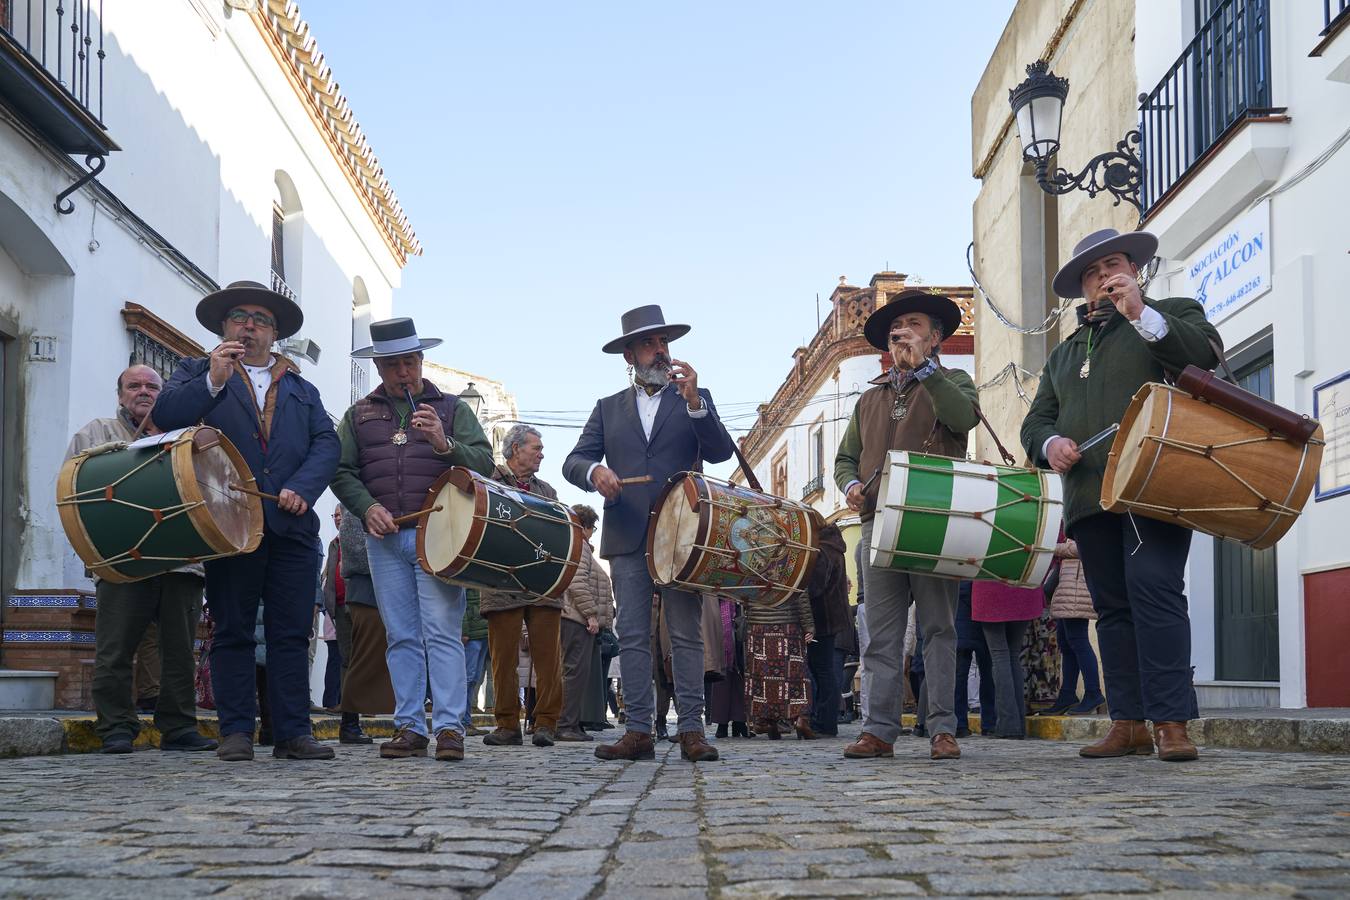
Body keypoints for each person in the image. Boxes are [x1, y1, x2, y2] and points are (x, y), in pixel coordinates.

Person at [1021, 228, 1220, 762]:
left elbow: (1203, 356)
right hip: (1089, 497)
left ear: (1133, 270)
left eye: (1111, 266)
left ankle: (1172, 722)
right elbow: (1035, 422)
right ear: (1082, 288)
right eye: (1091, 273)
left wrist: (1141, 315)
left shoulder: (1171, 313)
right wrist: (1051, 442)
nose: (1102, 278)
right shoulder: (1063, 355)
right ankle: (1128, 721)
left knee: (1155, 592)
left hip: (1155, 486)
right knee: (1111, 610)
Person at [154, 281, 339, 762]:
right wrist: (213, 381)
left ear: (274, 333)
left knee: (291, 632)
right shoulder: (197, 372)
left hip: (292, 525)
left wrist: (303, 487)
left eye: (260, 319)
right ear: (223, 327)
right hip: (230, 522)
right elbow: (165, 415)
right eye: (240, 317)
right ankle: (235, 730)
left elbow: (326, 444)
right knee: (233, 629)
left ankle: (293, 732)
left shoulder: (302, 388)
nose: (250, 325)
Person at [563, 305, 736, 762]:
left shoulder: (694, 397)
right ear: (629, 354)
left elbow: (719, 453)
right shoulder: (607, 409)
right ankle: (639, 730)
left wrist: (697, 403)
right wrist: (595, 472)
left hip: (683, 534)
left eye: (664, 343)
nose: (660, 350)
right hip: (626, 530)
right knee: (635, 634)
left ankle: (693, 731)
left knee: (686, 634)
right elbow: (573, 460)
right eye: (648, 343)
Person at [329, 317, 494, 763]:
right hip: (385, 540)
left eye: (409, 362)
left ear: (421, 361)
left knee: (442, 632)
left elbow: (484, 463)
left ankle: (448, 729)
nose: (403, 372)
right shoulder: (359, 414)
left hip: (439, 535)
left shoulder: (453, 410)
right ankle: (409, 726)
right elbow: (341, 471)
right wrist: (367, 508)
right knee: (400, 636)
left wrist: (444, 444)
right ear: (380, 369)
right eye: (392, 365)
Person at [835, 290, 978, 761]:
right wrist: (851, 483)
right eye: (898, 328)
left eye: (914, 324)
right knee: (880, 633)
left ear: (935, 338)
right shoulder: (870, 397)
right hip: (877, 522)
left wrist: (926, 371)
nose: (902, 332)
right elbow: (844, 459)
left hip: (934, 518)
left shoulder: (954, 380)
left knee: (939, 628)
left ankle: (941, 729)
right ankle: (878, 730)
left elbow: (963, 419)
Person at [66, 364, 216, 755]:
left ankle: (179, 727)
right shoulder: (95, 433)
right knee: (115, 650)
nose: (144, 392)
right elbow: (76, 495)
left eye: (152, 386)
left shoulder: (185, 435)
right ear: (120, 394)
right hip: (121, 562)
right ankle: (116, 727)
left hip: (182, 562)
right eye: (134, 386)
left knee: (180, 651)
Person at [478, 424, 567, 748]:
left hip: (543, 585)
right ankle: (507, 725)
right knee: (503, 661)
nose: (541, 453)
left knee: (549, 660)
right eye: (536, 448)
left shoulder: (548, 492)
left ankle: (545, 724)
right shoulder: (489, 482)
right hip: (501, 582)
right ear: (516, 449)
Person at [557, 504, 613, 742]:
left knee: (578, 673)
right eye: (593, 527)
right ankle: (566, 724)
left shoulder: (579, 546)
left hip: (577, 617)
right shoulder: (579, 546)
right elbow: (578, 583)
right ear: (586, 526)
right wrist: (591, 614)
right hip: (576, 618)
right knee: (574, 672)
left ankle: (573, 722)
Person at [321, 506, 371, 743]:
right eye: (337, 515)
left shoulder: (362, 530)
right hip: (342, 607)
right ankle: (350, 724)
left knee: (359, 662)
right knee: (347, 663)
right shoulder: (334, 543)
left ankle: (355, 721)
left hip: (361, 601)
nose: (339, 518)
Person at [971, 582, 1042, 739]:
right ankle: (1018, 724)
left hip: (992, 589)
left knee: (999, 656)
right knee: (1012, 655)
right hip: (1025, 589)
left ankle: (1008, 724)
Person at [743, 584, 815, 739]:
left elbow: (742, 594)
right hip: (788, 625)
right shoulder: (794, 559)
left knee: (762, 676)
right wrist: (808, 626)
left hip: (758, 627)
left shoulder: (749, 563)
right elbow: (800, 592)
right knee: (795, 676)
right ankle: (801, 719)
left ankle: (767, 721)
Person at [1044, 537, 1105, 715]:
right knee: (1066, 643)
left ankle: (1093, 692)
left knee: (1079, 642)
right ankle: (1068, 694)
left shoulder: (1086, 523)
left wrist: (1049, 547)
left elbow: (1081, 548)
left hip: (1077, 591)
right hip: (1069, 589)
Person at [804, 524, 849, 738]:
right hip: (831, 618)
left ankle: (825, 721)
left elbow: (815, 586)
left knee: (822, 669)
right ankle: (825, 720)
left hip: (822, 619)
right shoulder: (835, 549)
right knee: (824, 669)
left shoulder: (823, 552)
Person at [953, 581, 995, 737]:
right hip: (984, 625)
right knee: (988, 675)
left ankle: (959, 723)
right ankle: (990, 723)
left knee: (960, 676)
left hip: (961, 628)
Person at [461, 590, 489, 737]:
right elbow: (461, 604)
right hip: (472, 635)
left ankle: (467, 720)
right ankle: (463, 722)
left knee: (475, 678)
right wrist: (464, 630)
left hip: (485, 633)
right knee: (467, 679)